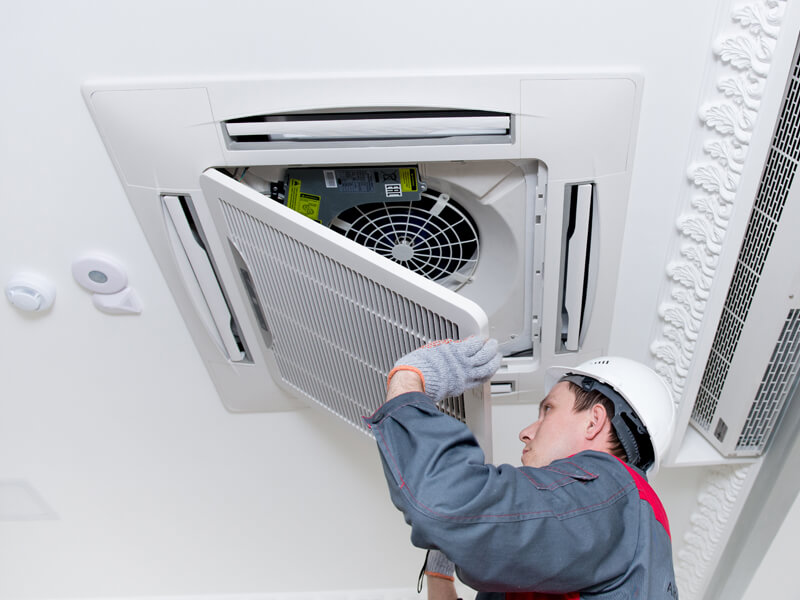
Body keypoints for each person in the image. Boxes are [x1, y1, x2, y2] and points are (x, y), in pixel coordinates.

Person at [365, 338, 678, 599]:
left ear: (593, 421)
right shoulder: (601, 534)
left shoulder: (614, 492)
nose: (526, 431)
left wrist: (409, 380)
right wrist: (440, 573)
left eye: (548, 410)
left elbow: (441, 503)